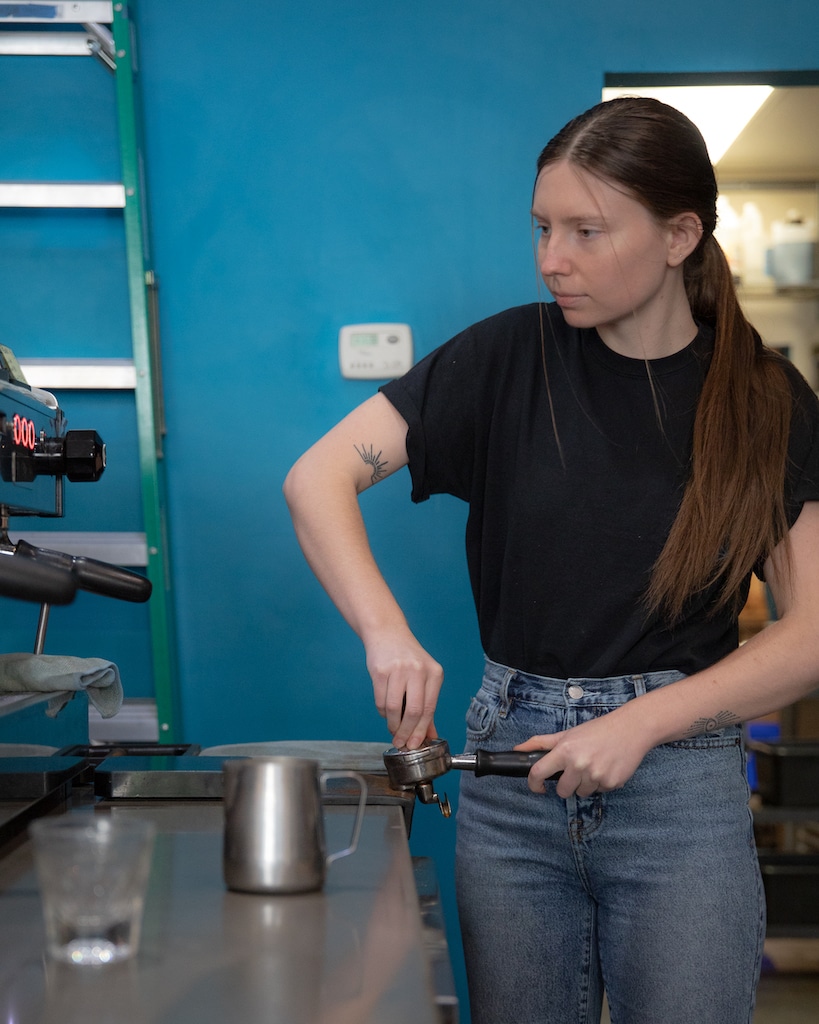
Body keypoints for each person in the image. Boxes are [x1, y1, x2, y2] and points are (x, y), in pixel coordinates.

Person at [283, 96, 819, 1024]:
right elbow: (316, 476)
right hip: (509, 780)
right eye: (541, 227)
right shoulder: (505, 357)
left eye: (585, 230)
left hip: (681, 794)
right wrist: (386, 633)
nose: (549, 258)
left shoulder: (766, 399)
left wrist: (645, 722)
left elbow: (810, 637)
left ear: (679, 235)